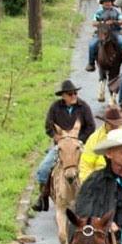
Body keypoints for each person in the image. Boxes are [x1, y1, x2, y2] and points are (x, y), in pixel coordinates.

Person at [33, 80, 96, 212]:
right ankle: (43, 197)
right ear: (63, 96)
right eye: (70, 94)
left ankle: (94, 198)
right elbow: (48, 127)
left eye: (75, 93)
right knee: (43, 169)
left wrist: (78, 140)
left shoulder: (83, 107)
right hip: (61, 146)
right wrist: (57, 137)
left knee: (93, 167)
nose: (74, 96)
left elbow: (91, 127)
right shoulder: (55, 107)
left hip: (79, 145)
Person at [79, 106, 122, 182]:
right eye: (112, 124)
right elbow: (85, 165)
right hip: (99, 181)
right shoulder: (94, 138)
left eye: (117, 123)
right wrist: (89, 185)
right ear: (106, 122)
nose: (115, 126)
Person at [86, 0, 122, 72]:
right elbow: (93, 23)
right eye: (106, 2)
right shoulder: (98, 12)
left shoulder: (116, 11)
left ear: (111, 3)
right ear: (103, 3)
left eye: (109, 2)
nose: (108, 3)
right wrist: (102, 23)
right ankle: (91, 63)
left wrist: (114, 22)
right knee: (92, 44)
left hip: (115, 31)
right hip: (102, 31)